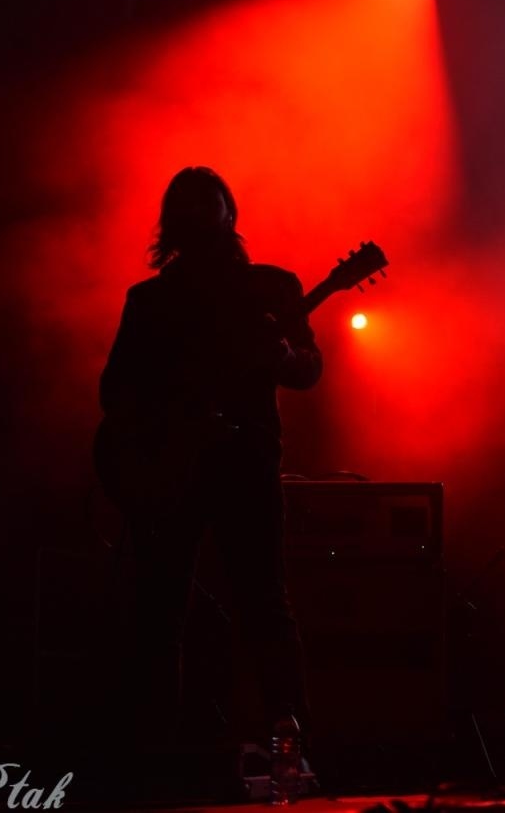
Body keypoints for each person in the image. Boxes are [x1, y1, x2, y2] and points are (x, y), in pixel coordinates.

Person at [99, 166, 321, 761]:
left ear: (230, 215)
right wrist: (165, 430)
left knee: (263, 605)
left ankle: (288, 748)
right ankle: (152, 757)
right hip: (172, 471)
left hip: (245, 466)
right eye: (190, 207)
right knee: (162, 610)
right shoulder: (149, 301)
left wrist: (280, 354)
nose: (201, 216)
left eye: (210, 204)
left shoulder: (272, 289)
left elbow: (307, 369)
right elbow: (116, 393)